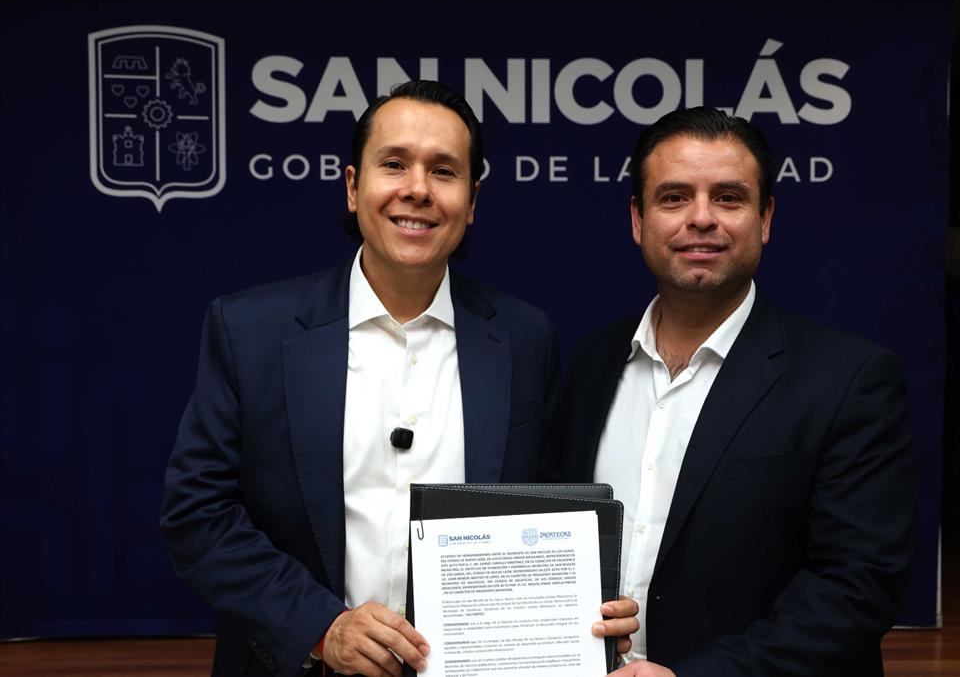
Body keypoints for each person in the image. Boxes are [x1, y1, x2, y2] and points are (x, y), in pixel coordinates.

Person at [160, 80, 636, 677]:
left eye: (444, 171)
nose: (417, 189)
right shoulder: (250, 331)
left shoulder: (523, 337)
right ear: (353, 186)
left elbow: (544, 511)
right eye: (394, 164)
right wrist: (320, 627)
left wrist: (584, 600)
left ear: (472, 200)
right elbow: (197, 514)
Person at [553, 107, 917, 677]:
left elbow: (856, 586)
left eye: (728, 198)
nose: (701, 218)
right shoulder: (589, 366)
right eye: (674, 198)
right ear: (638, 219)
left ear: (764, 218)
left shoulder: (850, 380)